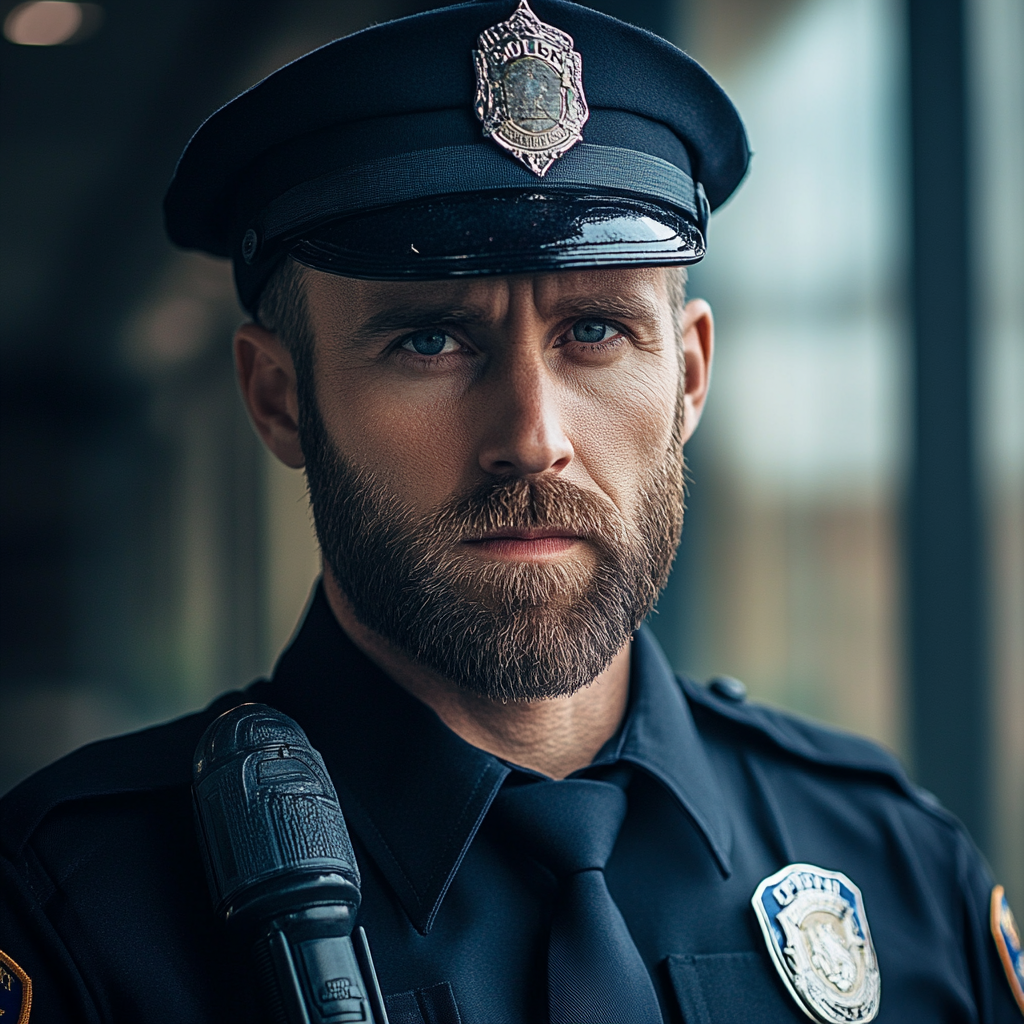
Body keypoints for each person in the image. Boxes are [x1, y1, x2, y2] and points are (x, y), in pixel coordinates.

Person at [1, 2, 1021, 1022]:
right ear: (280, 398)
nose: (532, 438)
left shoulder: (898, 873)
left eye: (594, 329)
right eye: (430, 343)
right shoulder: (78, 919)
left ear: (691, 378)